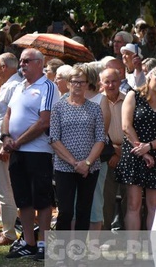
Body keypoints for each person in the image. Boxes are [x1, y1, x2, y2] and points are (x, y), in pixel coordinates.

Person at [0, 49, 59, 260]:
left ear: (40, 63)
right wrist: (6, 137)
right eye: (21, 61)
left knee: (42, 200)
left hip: (38, 151)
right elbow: (8, 114)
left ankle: (43, 243)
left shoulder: (48, 87)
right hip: (17, 151)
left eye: (27, 61)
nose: (22, 64)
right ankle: (28, 242)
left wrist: (17, 142)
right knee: (23, 199)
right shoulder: (17, 87)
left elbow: (45, 121)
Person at [49, 67, 105, 231]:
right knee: (65, 211)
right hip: (64, 167)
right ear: (68, 84)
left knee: (83, 210)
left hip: (90, 168)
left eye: (82, 82)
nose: (78, 85)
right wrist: (75, 163)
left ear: (87, 85)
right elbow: (54, 139)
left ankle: (78, 252)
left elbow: (100, 139)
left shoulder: (95, 108)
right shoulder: (58, 108)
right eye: (75, 82)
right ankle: (61, 251)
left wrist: (86, 163)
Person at [116, 67, 156, 231]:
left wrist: (150, 146)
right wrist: (143, 150)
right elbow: (126, 126)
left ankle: (154, 249)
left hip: (154, 151)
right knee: (133, 204)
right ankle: (133, 250)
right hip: (134, 152)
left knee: (154, 205)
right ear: (150, 76)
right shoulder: (134, 95)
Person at [0, 53, 22, 246]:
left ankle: (9, 233)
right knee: (3, 187)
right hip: (1, 140)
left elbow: (12, 117)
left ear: (4, 67)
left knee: (5, 187)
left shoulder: (14, 86)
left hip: (6, 142)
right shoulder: (10, 85)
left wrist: (7, 144)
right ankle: (6, 230)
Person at [99, 67, 126, 230]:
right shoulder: (98, 102)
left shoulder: (130, 99)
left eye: (114, 81)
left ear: (120, 81)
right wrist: (113, 152)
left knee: (130, 198)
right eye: (107, 82)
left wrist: (123, 150)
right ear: (101, 84)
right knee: (106, 198)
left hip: (129, 153)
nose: (111, 85)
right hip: (106, 155)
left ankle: (130, 237)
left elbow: (135, 126)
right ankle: (103, 236)